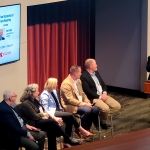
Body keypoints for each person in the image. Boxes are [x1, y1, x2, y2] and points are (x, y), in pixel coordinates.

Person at [19, 83, 79, 150]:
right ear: (32, 93)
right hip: (32, 123)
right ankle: (66, 137)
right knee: (51, 122)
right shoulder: (26, 103)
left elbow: (42, 110)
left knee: (51, 129)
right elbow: (34, 116)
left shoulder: (34, 100)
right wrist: (43, 115)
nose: (38, 92)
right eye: (37, 91)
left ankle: (54, 147)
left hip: (39, 120)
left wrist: (45, 115)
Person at [80, 58, 121, 129]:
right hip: (93, 97)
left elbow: (103, 84)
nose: (97, 65)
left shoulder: (96, 73)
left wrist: (104, 93)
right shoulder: (83, 76)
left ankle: (97, 118)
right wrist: (99, 97)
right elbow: (88, 91)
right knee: (105, 109)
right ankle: (103, 123)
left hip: (102, 95)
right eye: (95, 64)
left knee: (117, 106)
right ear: (90, 66)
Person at [60, 65, 100, 131]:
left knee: (95, 109)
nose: (81, 73)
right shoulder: (66, 84)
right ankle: (80, 129)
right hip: (70, 105)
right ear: (75, 73)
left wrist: (87, 102)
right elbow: (70, 100)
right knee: (87, 111)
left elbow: (82, 94)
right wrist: (84, 104)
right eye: (80, 72)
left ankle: (87, 128)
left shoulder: (78, 81)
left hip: (81, 103)